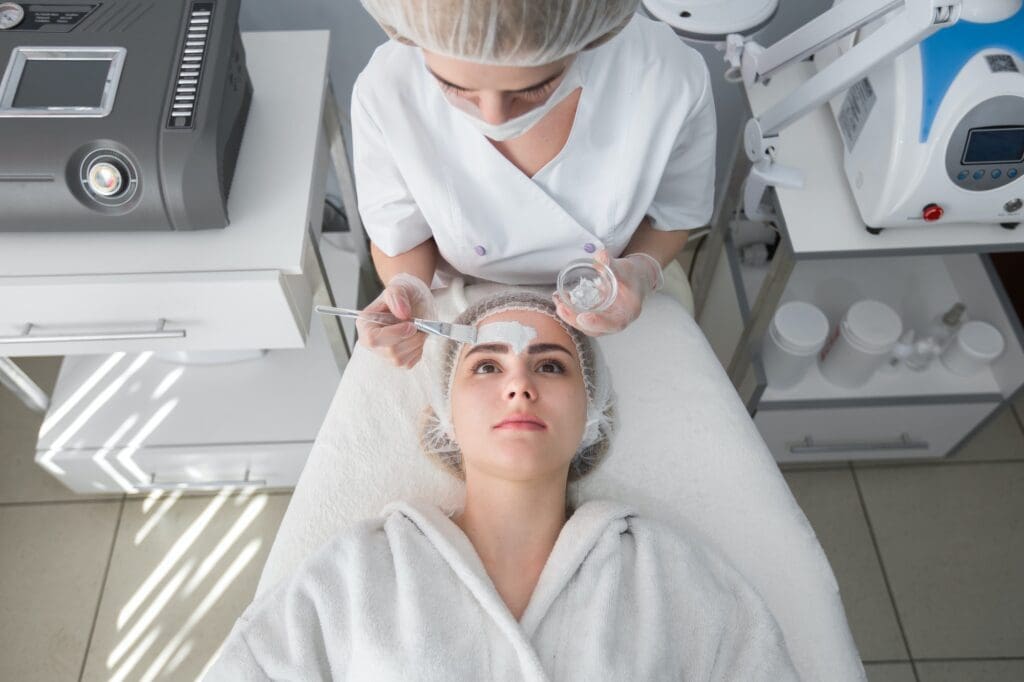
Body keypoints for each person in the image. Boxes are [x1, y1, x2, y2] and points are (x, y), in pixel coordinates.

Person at [205, 293, 797, 680]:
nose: (519, 382)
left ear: (592, 414)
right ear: (445, 417)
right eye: (487, 366)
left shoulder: (666, 574)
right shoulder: (358, 573)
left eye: (550, 365)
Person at [351, 0, 717, 368]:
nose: (492, 116)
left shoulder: (667, 78)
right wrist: (408, 288)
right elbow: (401, 235)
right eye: (455, 87)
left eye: (532, 89)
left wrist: (643, 269)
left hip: (610, 296)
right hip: (462, 290)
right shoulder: (386, 90)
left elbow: (673, 214)